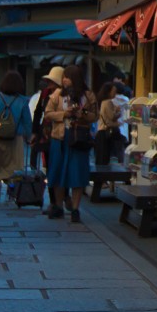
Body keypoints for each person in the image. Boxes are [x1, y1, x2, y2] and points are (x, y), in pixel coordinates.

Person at [43, 68, 96, 222]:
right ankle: (59, 206)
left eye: (67, 77)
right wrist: (64, 114)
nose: (64, 80)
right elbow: (48, 113)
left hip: (79, 138)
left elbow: (95, 116)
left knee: (77, 174)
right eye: (64, 77)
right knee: (58, 172)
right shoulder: (58, 95)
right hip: (60, 137)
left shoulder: (88, 95)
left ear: (75, 78)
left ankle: (75, 208)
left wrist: (82, 114)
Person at [0, 70, 32, 200]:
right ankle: (11, 187)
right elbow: (27, 121)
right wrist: (29, 136)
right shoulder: (22, 101)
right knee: (15, 164)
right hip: (16, 137)